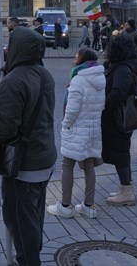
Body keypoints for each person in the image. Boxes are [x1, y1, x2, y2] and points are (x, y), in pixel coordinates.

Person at [0, 27, 57, 266]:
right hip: (45, 157)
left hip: (25, 165)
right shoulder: (45, 74)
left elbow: (5, 128)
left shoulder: (13, 81)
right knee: (33, 217)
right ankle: (30, 254)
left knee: (20, 221)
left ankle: (28, 260)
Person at [47, 49, 105, 219]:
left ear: (82, 60)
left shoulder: (78, 80)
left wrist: (65, 125)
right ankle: (89, 205)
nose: (74, 59)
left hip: (77, 128)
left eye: (76, 56)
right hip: (92, 128)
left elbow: (72, 109)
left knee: (67, 165)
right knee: (88, 165)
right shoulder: (100, 79)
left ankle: (65, 206)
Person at [101, 33, 137, 206]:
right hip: (120, 117)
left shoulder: (123, 68)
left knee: (120, 152)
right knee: (121, 151)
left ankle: (127, 191)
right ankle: (126, 188)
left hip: (117, 118)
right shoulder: (126, 65)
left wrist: (103, 104)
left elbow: (118, 93)